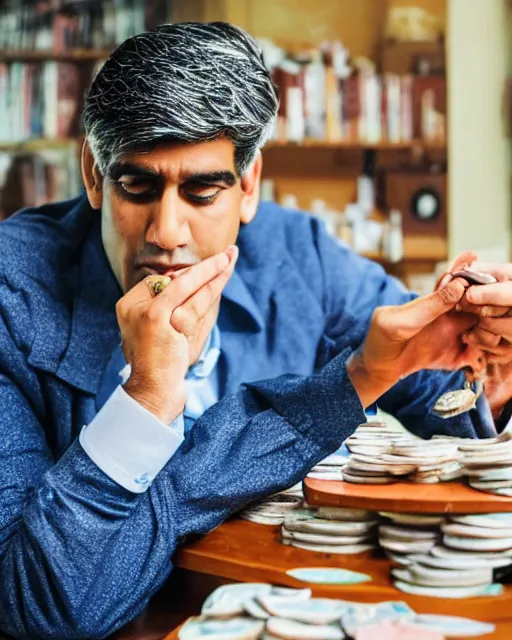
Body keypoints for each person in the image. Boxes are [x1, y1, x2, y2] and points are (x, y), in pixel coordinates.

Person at [0, 21, 507, 640]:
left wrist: (491, 365)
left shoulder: (303, 257)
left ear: (248, 187)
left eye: (202, 190)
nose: (167, 233)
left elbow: (434, 379)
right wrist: (148, 400)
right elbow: (42, 608)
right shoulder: (11, 293)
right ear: (93, 175)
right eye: (138, 184)